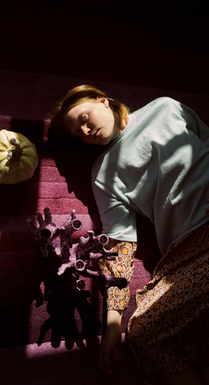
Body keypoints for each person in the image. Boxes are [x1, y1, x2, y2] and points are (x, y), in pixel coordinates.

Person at [50, 85, 209, 385]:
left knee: (152, 333)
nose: (85, 130)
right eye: (78, 133)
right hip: (184, 253)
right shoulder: (102, 173)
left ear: (103, 100)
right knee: (149, 334)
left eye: (84, 117)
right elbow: (119, 249)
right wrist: (112, 326)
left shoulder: (165, 107)